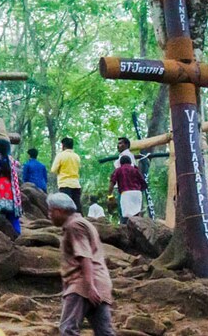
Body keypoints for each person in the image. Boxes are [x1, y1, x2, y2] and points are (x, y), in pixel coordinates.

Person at [49, 192, 115, 336]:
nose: (49, 215)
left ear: (60, 211)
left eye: (51, 211)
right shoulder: (85, 223)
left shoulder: (74, 226)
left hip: (81, 286)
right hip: (101, 284)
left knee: (68, 330)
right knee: (104, 332)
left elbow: (85, 256)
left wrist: (90, 286)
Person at [0, 153, 23, 235]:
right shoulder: (11, 160)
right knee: (13, 215)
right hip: (10, 186)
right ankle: (17, 234)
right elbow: (18, 172)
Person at [108, 155, 147, 222]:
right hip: (137, 193)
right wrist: (138, 191)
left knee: (126, 216)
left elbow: (112, 184)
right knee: (136, 215)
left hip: (126, 194)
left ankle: (125, 229)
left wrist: (110, 197)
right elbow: (144, 184)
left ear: (120, 163)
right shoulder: (136, 170)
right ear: (130, 162)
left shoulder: (118, 170)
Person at [51, 137, 83, 213]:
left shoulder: (61, 156)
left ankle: (67, 224)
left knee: (66, 208)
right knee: (77, 207)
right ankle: (79, 222)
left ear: (63, 146)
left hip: (64, 184)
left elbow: (53, 170)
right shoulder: (76, 156)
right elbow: (79, 168)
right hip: (76, 184)